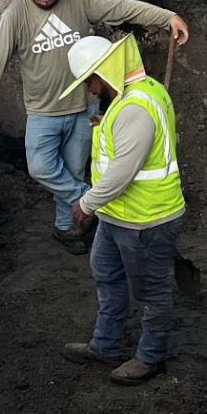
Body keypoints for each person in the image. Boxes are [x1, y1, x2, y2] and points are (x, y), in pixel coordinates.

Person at [0, 0, 188, 253]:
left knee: (72, 169)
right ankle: (88, 202)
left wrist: (168, 18)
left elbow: (122, 9)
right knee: (41, 168)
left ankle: (66, 227)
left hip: (83, 108)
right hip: (42, 111)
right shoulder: (16, 15)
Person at [57, 34, 184, 385]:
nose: (89, 90)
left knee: (151, 291)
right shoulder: (133, 96)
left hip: (146, 218)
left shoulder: (133, 110)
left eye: (90, 82)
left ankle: (151, 357)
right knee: (105, 272)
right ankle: (106, 344)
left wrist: (86, 204)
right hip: (120, 214)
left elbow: (123, 171)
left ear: (103, 73)